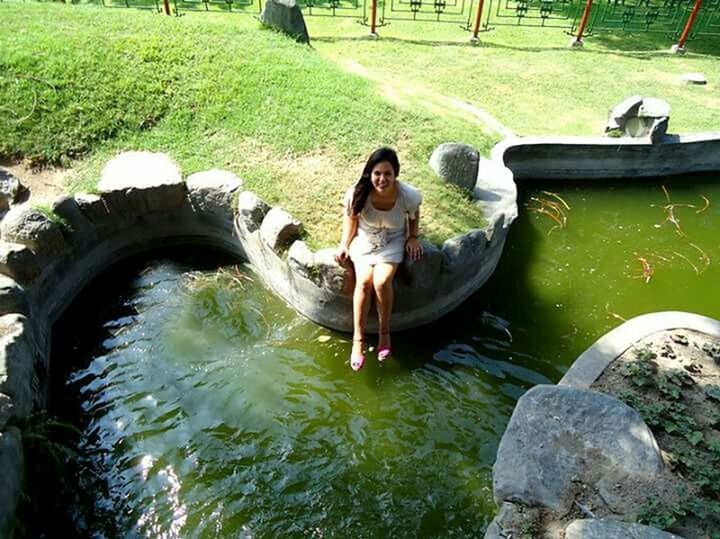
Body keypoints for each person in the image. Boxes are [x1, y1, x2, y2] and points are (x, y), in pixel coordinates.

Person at [335, 147, 423, 371]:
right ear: (369, 173)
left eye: (388, 174)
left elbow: (414, 215)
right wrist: (344, 244)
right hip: (365, 240)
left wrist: (413, 237)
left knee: (381, 281)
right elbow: (351, 219)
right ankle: (358, 340)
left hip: (392, 241)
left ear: (395, 175)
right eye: (377, 173)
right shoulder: (358, 192)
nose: (382, 179)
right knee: (364, 281)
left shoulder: (408, 196)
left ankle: (385, 334)